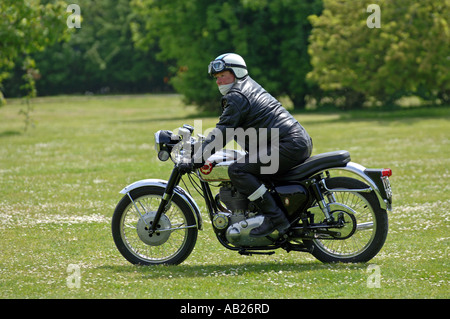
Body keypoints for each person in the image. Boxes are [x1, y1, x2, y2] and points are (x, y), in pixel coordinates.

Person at [181, 53, 313, 237]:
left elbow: (222, 133)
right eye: (217, 78)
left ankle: (275, 218)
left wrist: (196, 160)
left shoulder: (237, 96)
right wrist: (201, 148)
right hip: (291, 142)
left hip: (288, 144)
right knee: (243, 163)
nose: (219, 81)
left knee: (237, 170)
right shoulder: (246, 87)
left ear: (236, 73)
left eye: (223, 76)